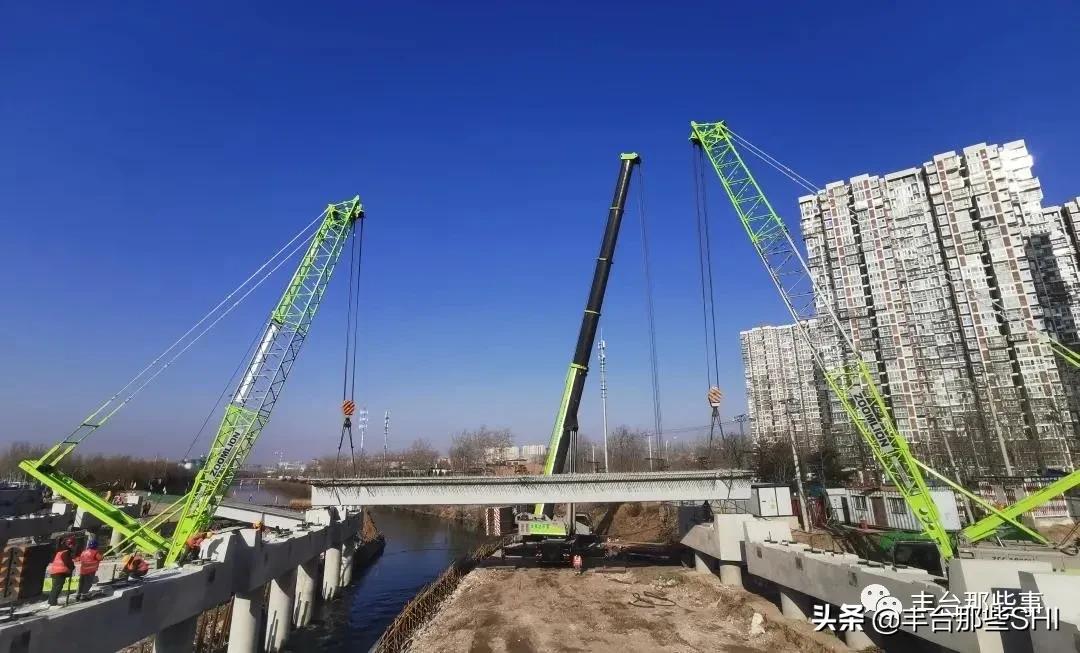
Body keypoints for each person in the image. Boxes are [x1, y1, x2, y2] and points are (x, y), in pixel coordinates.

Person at [46, 537, 76, 606]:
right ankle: (52, 603)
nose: (72, 546)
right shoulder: (66, 552)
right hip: (59, 572)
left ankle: (51, 602)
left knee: (55, 588)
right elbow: (67, 562)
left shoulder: (60, 551)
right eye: (71, 544)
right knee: (57, 588)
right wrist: (72, 566)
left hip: (55, 571)